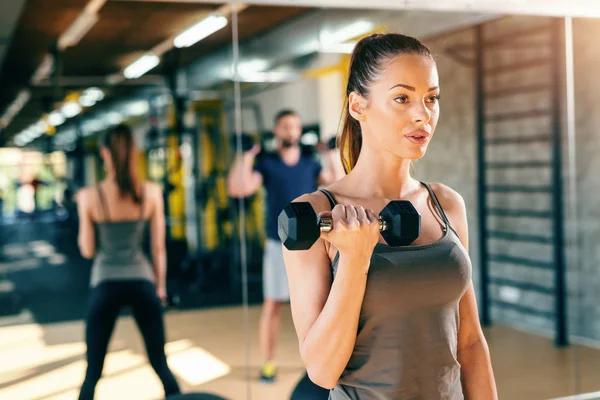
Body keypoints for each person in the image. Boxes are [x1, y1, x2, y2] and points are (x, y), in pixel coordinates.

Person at [282, 33, 498, 399]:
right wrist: (354, 259)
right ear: (357, 106)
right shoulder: (317, 215)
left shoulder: (445, 204)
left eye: (431, 99)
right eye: (402, 98)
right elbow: (322, 370)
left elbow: (471, 344)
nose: (422, 114)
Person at [227, 110, 341, 383]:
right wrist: (245, 156)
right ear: (276, 132)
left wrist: (329, 154)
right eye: (286, 127)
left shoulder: (310, 163)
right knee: (273, 305)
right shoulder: (266, 163)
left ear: (299, 132)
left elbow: (337, 185)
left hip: (311, 245)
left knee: (320, 304)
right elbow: (238, 189)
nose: (291, 131)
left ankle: (322, 361)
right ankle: (268, 363)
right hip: (277, 243)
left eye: (295, 127)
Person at [76, 124, 180, 399]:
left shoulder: (89, 196)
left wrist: (86, 216)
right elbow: (158, 248)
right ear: (134, 152)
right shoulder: (152, 192)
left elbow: (87, 250)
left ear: (104, 154)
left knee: (93, 373)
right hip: (142, 281)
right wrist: (160, 288)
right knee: (160, 364)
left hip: (105, 283)